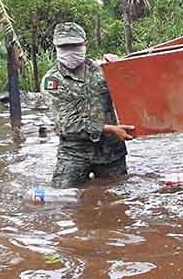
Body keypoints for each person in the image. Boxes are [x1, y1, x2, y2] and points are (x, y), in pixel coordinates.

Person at [41, 22, 134, 188]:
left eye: (74, 45)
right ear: (56, 47)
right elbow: (67, 124)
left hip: (110, 151)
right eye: (64, 46)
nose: (70, 50)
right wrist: (110, 128)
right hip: (74, 153)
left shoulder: (103, 70)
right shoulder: (52, 81)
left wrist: (121, 69)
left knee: (116, 204)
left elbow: (132, 95)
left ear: (85, 45)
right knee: (63, 201)